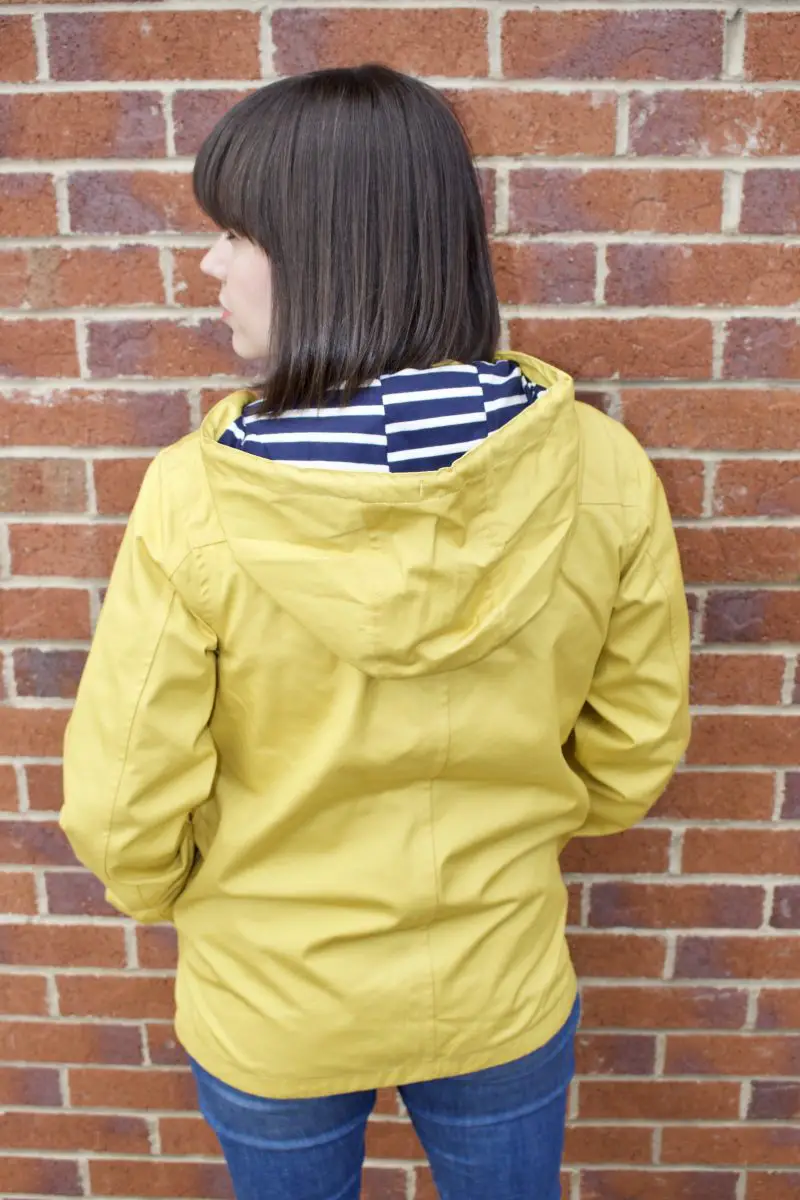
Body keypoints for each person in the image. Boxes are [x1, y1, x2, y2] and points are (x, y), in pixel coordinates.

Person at [60, 65, 691, 1200]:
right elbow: (632, 749)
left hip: (273, 997)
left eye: (233, 234)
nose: (207, 265)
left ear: (321, 248)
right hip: (496, 976)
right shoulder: (599, 469)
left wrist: (195, 896)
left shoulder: (195, 499)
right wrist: (522, 829)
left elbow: (120, 803)